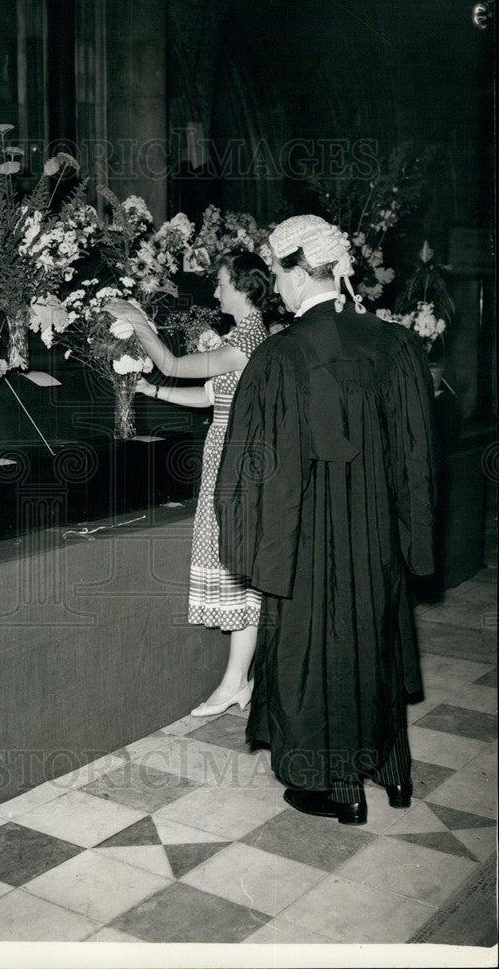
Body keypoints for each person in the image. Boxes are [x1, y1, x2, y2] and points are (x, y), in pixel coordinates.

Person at [215, 215, 435, 825]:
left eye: (277, 272)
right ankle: (391, 776)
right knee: (376, 642)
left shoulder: (282, 355)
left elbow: (252, 467)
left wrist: (248, 546)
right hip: (376, 536)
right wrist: (413, 542)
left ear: (295, 269)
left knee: (316, 655)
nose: (275, 287)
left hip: (309, 539)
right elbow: (418, 455)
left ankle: (334, 788)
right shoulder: (393, 343)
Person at [105, 253, 269, 716]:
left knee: (237, 564)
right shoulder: (243, 335)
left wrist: (138, 320)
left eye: (220, 284)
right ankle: (239, 679)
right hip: (224, 448)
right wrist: (149, 390)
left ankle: (236, 681)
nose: (216, 293)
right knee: (234, 562)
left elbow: (174, 363)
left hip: (235, 455)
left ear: (242, 286)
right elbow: (209, 394)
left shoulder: (250, 337)